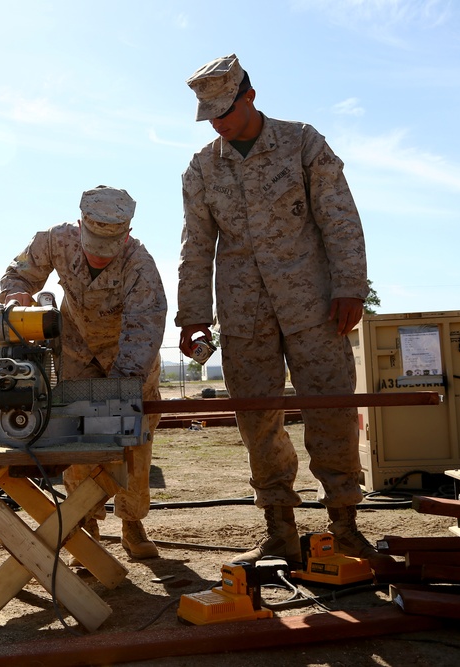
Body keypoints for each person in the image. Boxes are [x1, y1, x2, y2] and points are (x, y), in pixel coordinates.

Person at [175, 54, 392, 570]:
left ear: (249, 96)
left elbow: (339, 216)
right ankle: (279, 532)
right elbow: (196, 243)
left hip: (316, 305)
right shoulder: (202, 167)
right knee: (256, 417)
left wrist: (350, 287)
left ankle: (343, 526)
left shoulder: (302, 142)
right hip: (243, 312)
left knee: (332, 408)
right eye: (210, 117)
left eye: (225, 111)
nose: (220, 124)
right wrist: (192, 314)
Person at [0, 185, 168, 559]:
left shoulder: (141, 266)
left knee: (132, 443)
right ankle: (84, 524)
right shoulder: (56, 240)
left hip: (129, 360)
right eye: (93, 247)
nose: (100, 257)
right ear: (79, 226)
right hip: (75, 351)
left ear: (127, 235)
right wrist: (16, 295)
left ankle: (131, 523)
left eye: (109, 249)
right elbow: (19, 274)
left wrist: (118, 396)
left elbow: (143, 334)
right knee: (73, 439)